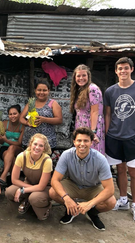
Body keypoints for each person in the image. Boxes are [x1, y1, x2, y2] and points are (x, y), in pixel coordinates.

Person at [49, 127, 116, 231]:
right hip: (73, 184)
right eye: (79, 140)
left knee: (111, 202)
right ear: (74, 142)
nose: (82, 144)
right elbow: (54, 180)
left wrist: (90, 204)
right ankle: (72, 209)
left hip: (93, 187)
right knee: (53, 192)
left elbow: (110, 189)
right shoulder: (66, 155)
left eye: (86, 141)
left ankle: (92, 213)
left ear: (91, 142)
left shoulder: (100, 159)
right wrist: (67, 199)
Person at [104, 57, 135, 219]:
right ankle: (123, 200)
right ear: (116, 71)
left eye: (126, 68)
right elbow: (108, 114)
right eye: (120, 68)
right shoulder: (110, 91)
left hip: (132, 137)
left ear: (131, 69)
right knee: (120, 170)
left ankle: (134, 204)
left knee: (134, 172)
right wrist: (107, 134)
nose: (123, 71)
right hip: (114, 137)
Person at [5, 133, 53, 220]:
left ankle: (46, 206)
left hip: (45, 188)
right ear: (30, 144)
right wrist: (31, 188)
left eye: (41, 145)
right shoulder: (22, 156)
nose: (37, 147)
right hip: (29, 183)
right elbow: (14, 180)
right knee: (9, 191)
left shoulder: (47, 160)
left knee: (35, 200)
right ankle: (27, 200)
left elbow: (41, 186)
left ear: (44, 148)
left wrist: (23, 190)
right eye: (35, 144)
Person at [70, 64, 105, 154]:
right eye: (78, 76)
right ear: (75, 77)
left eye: (84, 75)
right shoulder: (80, 90)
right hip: (81, 125)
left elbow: (94, 111)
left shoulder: (92, 89)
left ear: (88, 76)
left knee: (92, 154)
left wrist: (92, 132)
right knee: (82, 153)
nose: (81, 78)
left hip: (91, 126)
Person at [20, 80, 62, 150]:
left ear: (48, 91)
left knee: (44, 160)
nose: (41, 92)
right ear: (35, 91)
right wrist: (27, 122)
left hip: (46, 141)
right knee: (29, 160)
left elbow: (59, 120)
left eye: (44, 90)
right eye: (39, 90)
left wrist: (44, 119)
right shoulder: (31, 103)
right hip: (30, 140)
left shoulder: (53, 103)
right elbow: (21, 118)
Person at [0, 104, 24, 186]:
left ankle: (3, 175)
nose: (12, 116)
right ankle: (13, 182)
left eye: (15, 113)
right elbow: (0, 142)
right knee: (12, 159)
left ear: (20, 114)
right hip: (5, 149)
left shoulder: (23, 126)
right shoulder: (4, 124)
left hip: (18, 149)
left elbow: (19, 143)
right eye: (10, 114)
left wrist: (6, 140)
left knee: (12, 147)